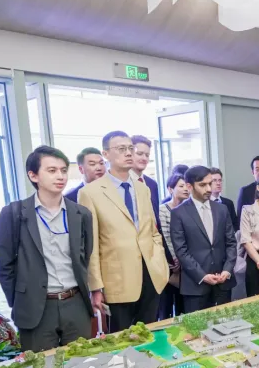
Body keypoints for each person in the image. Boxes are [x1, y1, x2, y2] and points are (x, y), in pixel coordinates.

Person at [0, 146, 94, 351]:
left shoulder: (81, 214)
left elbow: (85, 256)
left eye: (64, 170)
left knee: (83, 363)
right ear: (33, 175)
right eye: (52, 170)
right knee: (41, 367)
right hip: (35, 307)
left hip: (75, 302)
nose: (60, 176)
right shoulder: (14, 213)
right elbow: (5, 265)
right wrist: (20, 300)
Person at [78, 131, 168, 332]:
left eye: (130, 148)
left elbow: (152, 230)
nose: (128, 153)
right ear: (105, 154)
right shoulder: (90, 193)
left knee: (151, 334)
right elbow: (91, 245)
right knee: (121, 340)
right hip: (117, 280)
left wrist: (159, 260)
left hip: (151, 273)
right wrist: (95, 286)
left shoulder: (143, 188)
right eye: (121, 149)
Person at [168, 165, 237, 312]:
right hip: (195, 284)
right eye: (202, 185)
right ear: (189, 186)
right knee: (197, 325)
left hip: (223, 281)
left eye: (210, 183)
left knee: (225, 323)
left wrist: (227, 270)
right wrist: (202, 276)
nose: (209, 189)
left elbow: (231, 242)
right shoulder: (178, 213)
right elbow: (181, 251)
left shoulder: (222, 209)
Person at [158, 171, 191, 318]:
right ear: (170, 189)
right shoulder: (162, 210)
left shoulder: (189, 210)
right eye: (181, 186)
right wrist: (174, 260)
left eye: (186, 186)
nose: (185, 189)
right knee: (165, 305)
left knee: (183, 306)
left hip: (186, 264)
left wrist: (183, 260)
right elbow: (165, 236)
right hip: (168, 264)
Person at [209, 167, 240, 231]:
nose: (218, 183)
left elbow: (235, 224)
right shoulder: (205, 203)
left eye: (220, 180)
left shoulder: (229, 203)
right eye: (214, 180)